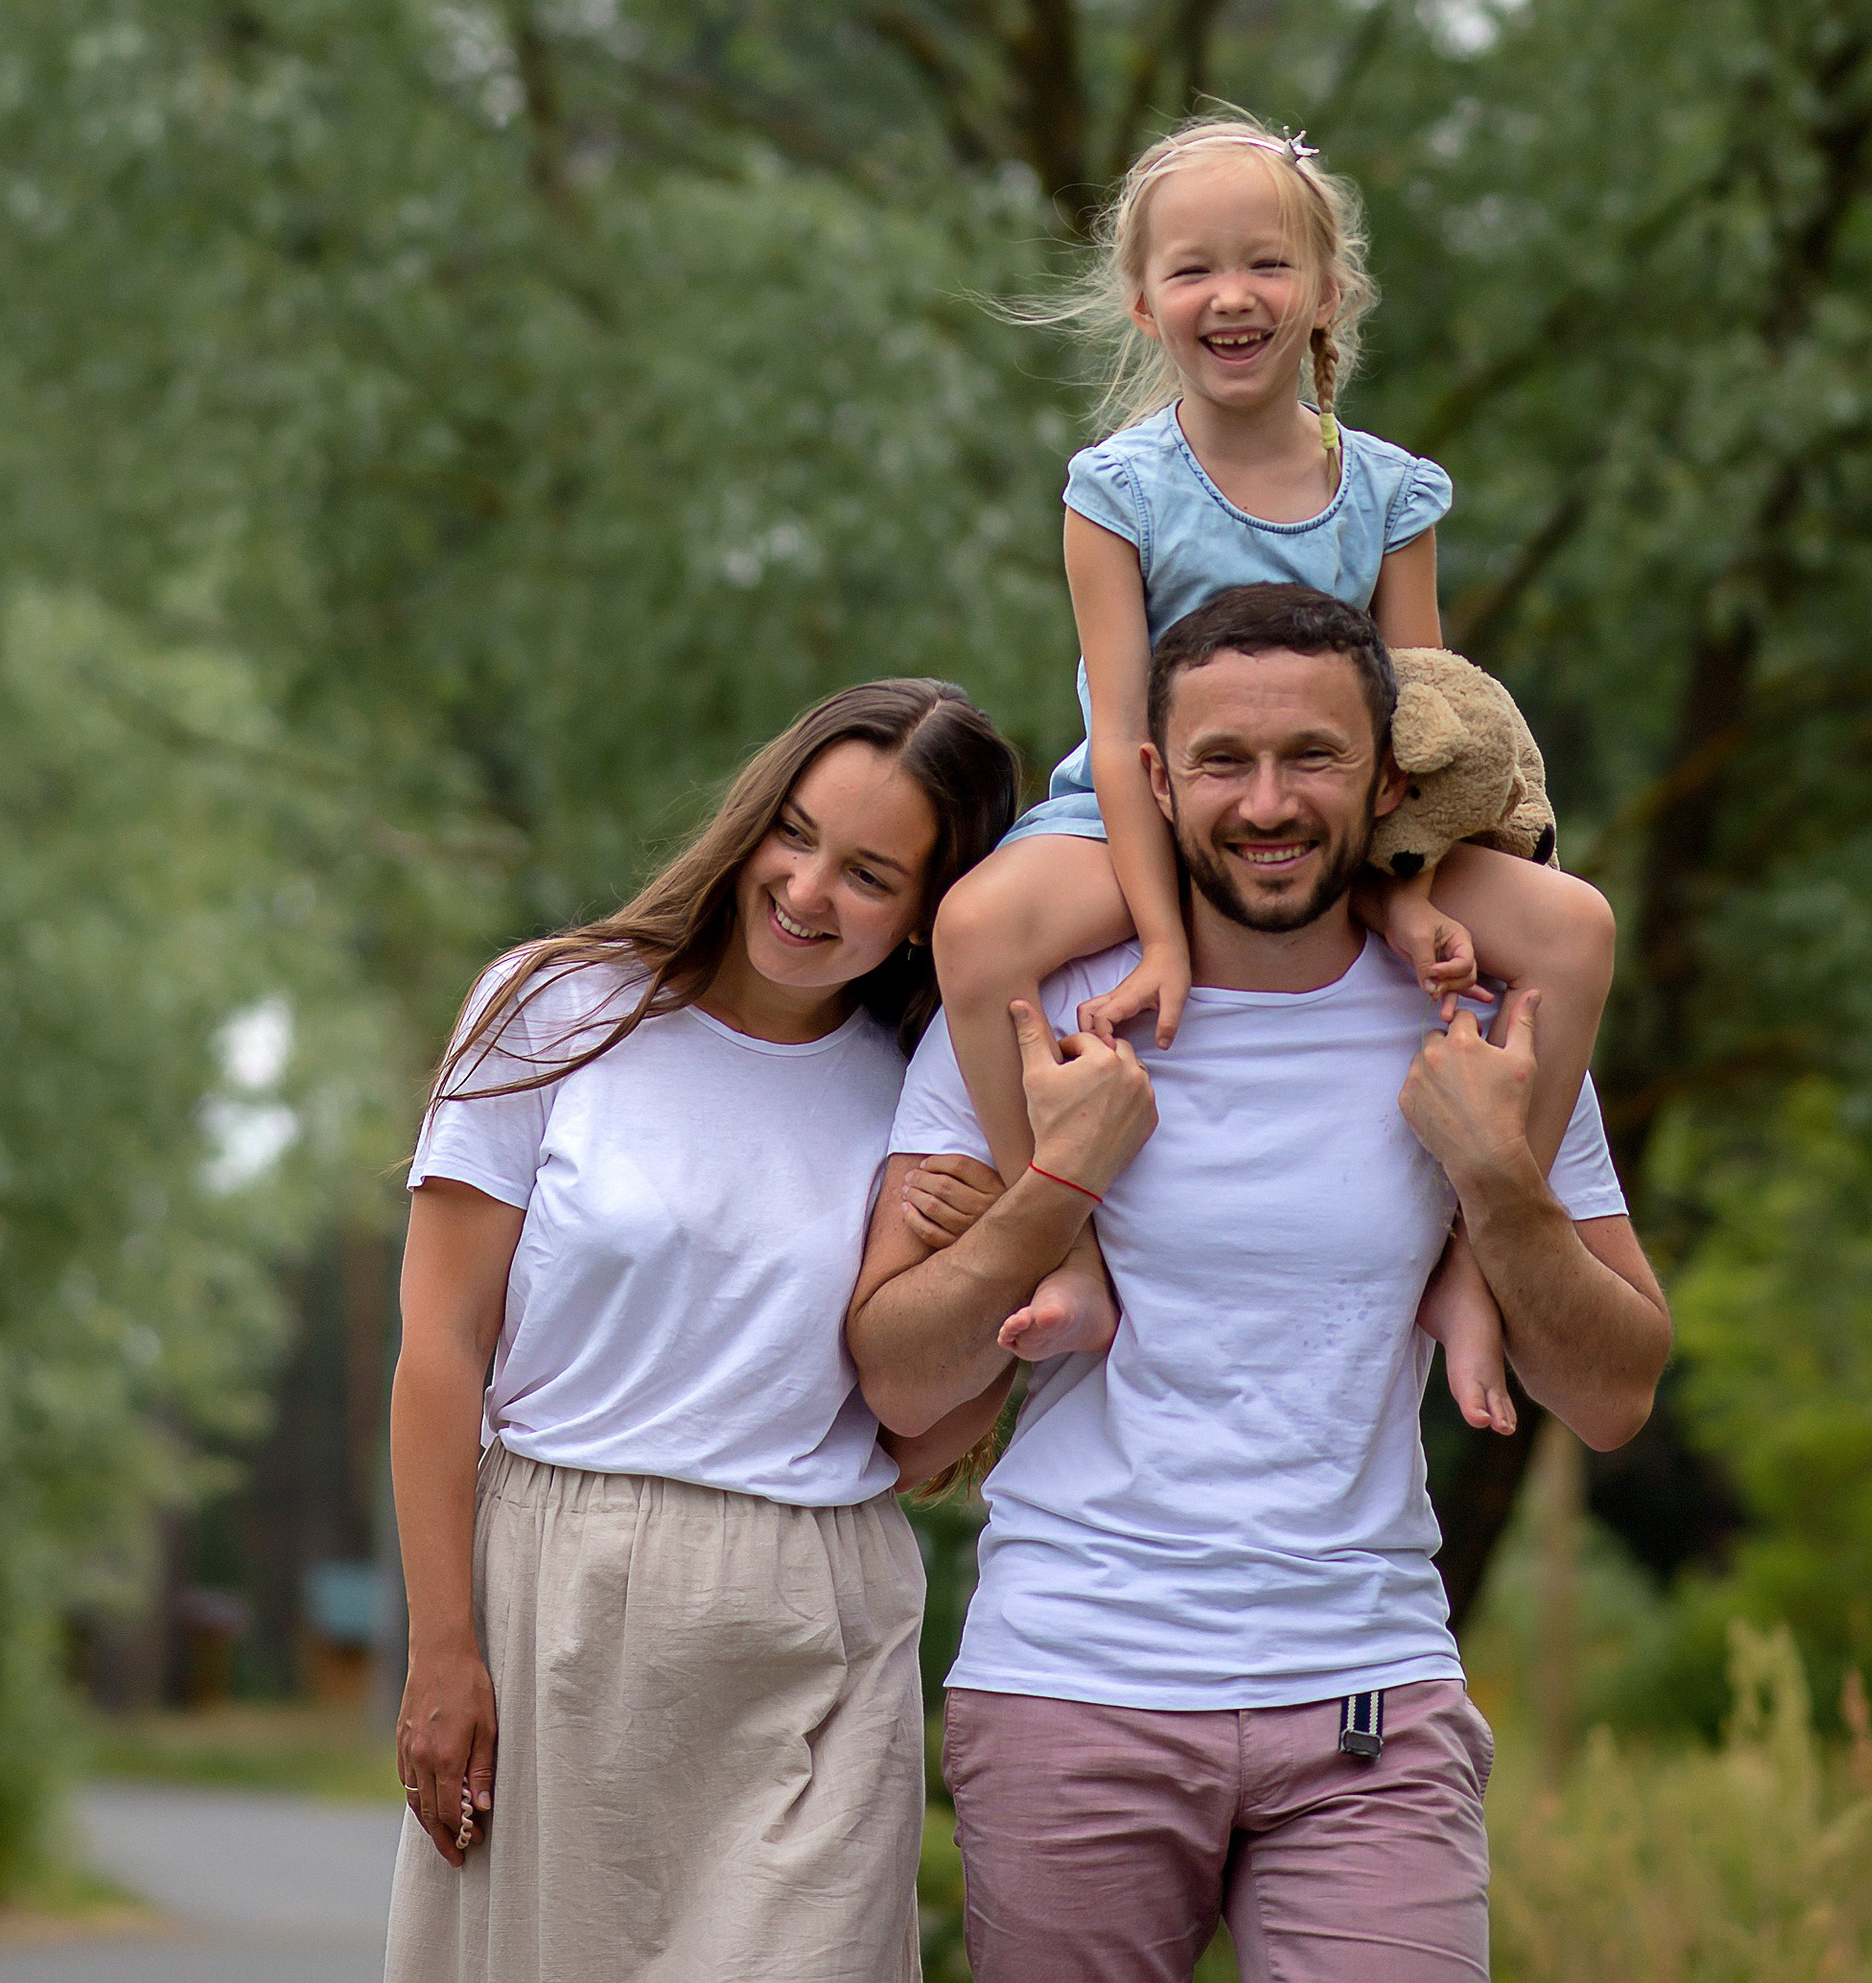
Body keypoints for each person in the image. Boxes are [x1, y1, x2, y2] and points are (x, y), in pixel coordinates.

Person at [852, 586, 1672, 1983]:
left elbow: (1614, 1396)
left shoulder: (1484, 1022)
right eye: (1224, 761)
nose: (1269, 803)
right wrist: (1058, 1186)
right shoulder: (1039, 1010)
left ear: (1389, 779)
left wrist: (1497, 1180)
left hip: (1370, 1696)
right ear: (1155, 780)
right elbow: (897, 1381)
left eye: (1313, 757)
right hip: (1075, 1680)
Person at [929, 106, 1616, 1421]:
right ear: (1144, 304)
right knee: (973, 933)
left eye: (1266, 264)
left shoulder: (1390, 492)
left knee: (1575, 930)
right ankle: (1065, 1252)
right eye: (1193, 270)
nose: (1232, 295)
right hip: (1138, 811)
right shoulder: (1116, 492)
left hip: (1344, 822)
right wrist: (1163, 941)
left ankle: (1473, 1267)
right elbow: (1123, 734)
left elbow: (1426, 720)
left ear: (1327, 294)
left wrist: (1406, 894)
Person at [384, 678, 1018, 1983]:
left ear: (930, 913)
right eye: (796, 833)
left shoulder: (926, 1099)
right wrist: (442, 1648)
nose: (806, 890)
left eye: (869, 875)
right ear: (753, 816)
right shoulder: (552, 1007)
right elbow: (440, 1349)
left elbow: (917, 1439)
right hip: (561, 1599)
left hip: (821, 1619)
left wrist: (1002, 1253)